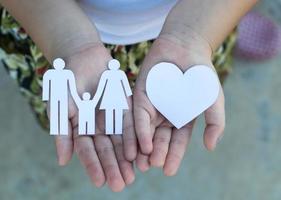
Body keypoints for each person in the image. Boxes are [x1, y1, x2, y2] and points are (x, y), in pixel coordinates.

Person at [0, 0, 258, 192]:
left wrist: (199, 32)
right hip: (47, 20)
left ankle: (227, 19)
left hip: (195, 15)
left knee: (204, 68)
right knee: (69, 109)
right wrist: (66, 40)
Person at [94, 59, 132, 135]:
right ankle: (109, 129)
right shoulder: (106, 73)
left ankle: (117, 129)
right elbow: (101, 85)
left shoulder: (120, 73)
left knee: (117, 111)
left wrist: (129, 94)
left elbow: (125, 84)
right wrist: (97, 95)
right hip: (109, 94)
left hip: (118, 95)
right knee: (109, 112)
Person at [42, 58, 78, 135]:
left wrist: (75, 96)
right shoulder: (49, 73)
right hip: (54, 95)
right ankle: (55, 129)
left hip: (63, 95)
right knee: (54, 112)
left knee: (63, 112)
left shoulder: (67, 73)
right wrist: (45, 97)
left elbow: (72, 86)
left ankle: (64, 128)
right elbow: (46, 85)